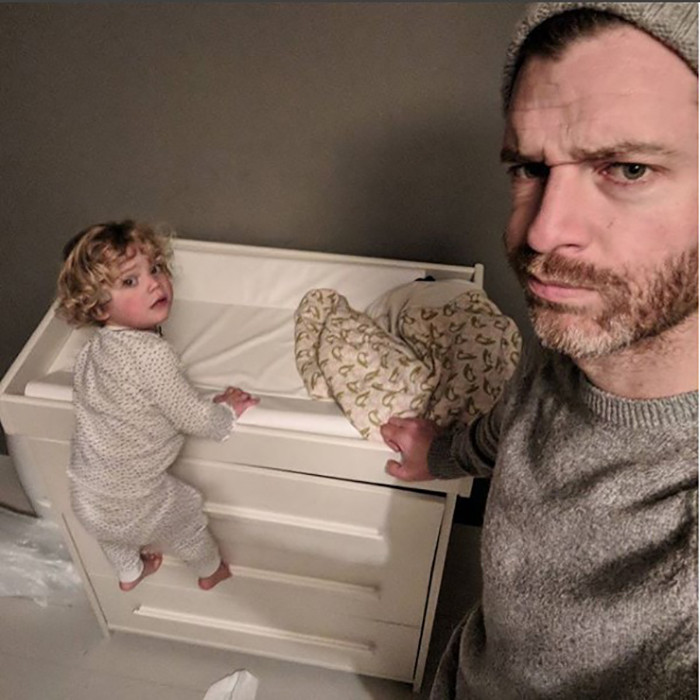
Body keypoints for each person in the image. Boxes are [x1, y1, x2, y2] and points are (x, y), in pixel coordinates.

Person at [380, 3, 698, 698]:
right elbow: (515, 426)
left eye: (629, 168)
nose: (543, 232)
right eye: (529, 167)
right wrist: (440, 454)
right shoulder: (570, 348)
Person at [56, 220, 259, 592]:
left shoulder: (92, 352)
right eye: (130, 281)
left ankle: (129, 574)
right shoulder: (152, 356)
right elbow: (196, 419)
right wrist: (227, 410)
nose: (154, 283)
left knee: (113, 535)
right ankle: (210, 571)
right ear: (99, 307)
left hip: (86, 496)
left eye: (156, 268)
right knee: (187, 521)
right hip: (135, 504)